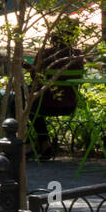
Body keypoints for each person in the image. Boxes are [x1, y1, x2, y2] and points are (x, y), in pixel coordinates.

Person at [29, 22, 85, 161]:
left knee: (23, 106)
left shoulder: (46, 53)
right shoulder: (77, 55)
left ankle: (35, 143)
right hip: (70, 105)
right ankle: (40, 143)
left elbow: (34, 76)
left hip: (45, 105)